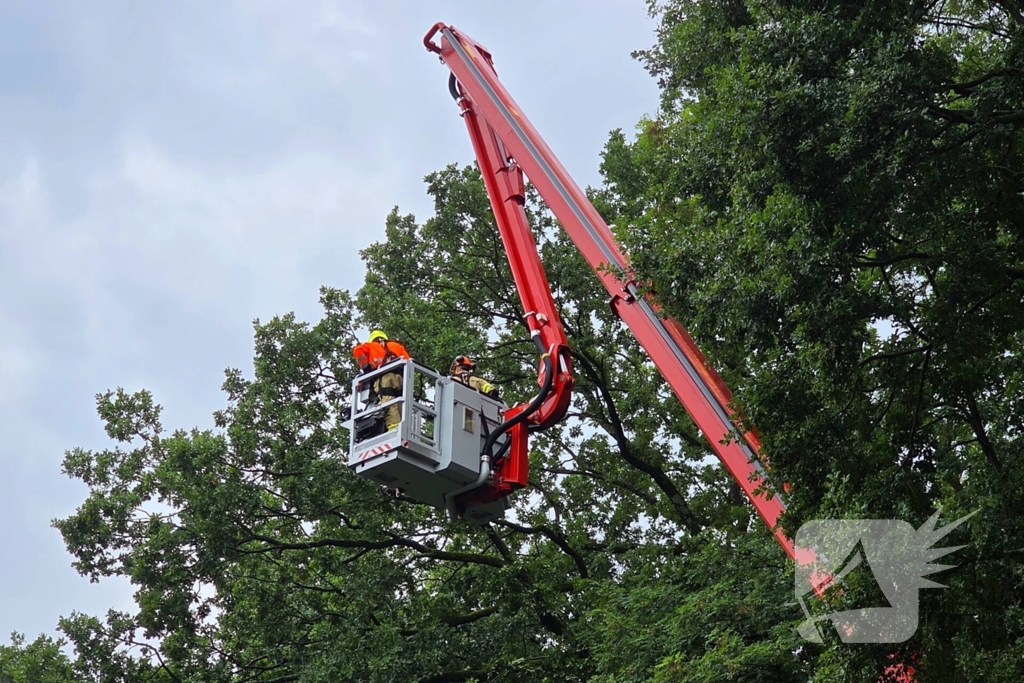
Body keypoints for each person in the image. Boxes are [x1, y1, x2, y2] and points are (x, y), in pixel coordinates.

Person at [352, 330, 410, 431]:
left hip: (385, 378)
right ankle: (403, 428)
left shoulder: (371, 346)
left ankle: (393, 428)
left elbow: (357, 350)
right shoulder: (396, 346)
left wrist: (367, 370)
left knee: (388, 402)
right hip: (400, 378)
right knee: (400, 402)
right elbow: (409, 362)